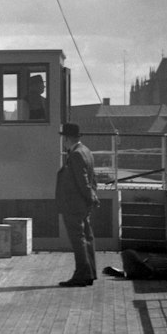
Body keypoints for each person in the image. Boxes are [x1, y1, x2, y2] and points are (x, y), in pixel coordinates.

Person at [55, 121, 96, 287]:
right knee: (87, 238)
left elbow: (83, 181)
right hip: (82, 204)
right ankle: (89, 273)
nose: (63, 142)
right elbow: (93, 178)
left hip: (74, 204)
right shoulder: (86, 151)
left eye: (64, 138)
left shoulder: (76, 154)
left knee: (78, 240)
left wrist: (89, 197)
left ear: (67, 138)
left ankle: (81, 275)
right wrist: (92, 197)